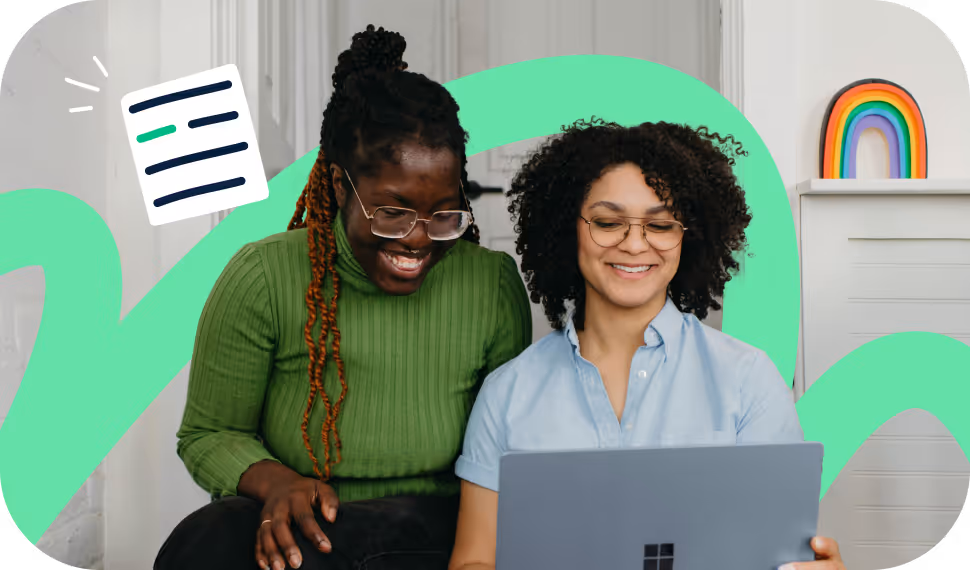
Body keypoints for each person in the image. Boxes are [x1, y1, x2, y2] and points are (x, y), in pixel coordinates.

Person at [154, 25, 532, 570]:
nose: (419, 238)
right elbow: (211, 432)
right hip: (304, 523)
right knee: (206, 540)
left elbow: (506, 451)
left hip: (437, 529)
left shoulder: (490, 285)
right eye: (393, 212)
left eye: (443, 213)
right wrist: (278, 483)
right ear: (337, 185)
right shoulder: (263, 275)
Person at [447, 118, 847, 570]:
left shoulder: (748, 381)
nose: (635, 244)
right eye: (607, 221)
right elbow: (472, 562)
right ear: (567, 228)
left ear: (687, 237)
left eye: (660, 225)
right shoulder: (507, 393)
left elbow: (777, 555)